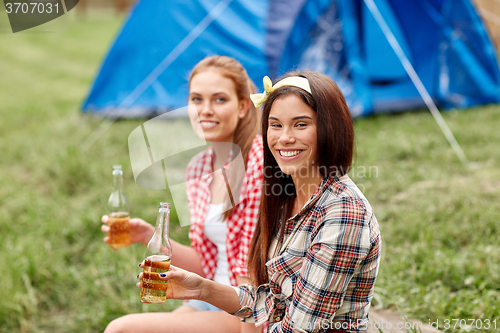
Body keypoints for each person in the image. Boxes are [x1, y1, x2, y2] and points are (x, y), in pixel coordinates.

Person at [139, 71, 382, 333]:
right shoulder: (285, 196)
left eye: (300, 124)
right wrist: (201, 288)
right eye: (275, 125)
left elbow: (299, 328)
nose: (284, 138)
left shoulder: (342, 212)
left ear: (329, 128)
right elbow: (270, 302)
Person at [102, 56, 264, 333]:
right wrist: (147, 234)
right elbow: (206, 262)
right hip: (211, 296)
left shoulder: (261, 161)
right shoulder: (198, 168)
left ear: (243, 106)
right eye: (196, 99)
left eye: (220, 99)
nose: (205, 110)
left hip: (252, 306)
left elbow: (255, 275)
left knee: (121, 329)